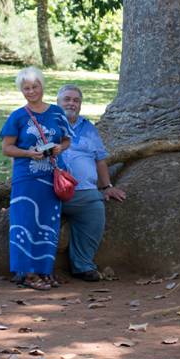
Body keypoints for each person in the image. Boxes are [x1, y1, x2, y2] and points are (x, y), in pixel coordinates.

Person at [0, 67, 74, 290]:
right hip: (27, 177)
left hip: (51, 177)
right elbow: (6, 148)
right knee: (25, 222)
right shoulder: (18, 116)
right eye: (26, 88)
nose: (31, 92)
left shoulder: (57, 113)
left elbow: (67, 139)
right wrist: (28, 153)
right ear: (22, 91)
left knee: (48, 224)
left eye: (35, 87)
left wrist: (60, 147)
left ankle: (45, 270)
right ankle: (26, 273)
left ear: (42, 86)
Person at [58, 84, 126, 282]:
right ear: (58, 102)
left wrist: (107, 187)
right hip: (51, 190)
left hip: (83, 192)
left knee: (95, 213)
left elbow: (100, 159)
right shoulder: (48, 124)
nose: (71, 103)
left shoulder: (88, 128)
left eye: (76, 100)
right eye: (67, 99)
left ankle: (82, 266)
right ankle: (39, 269)